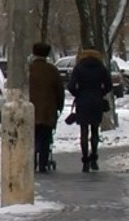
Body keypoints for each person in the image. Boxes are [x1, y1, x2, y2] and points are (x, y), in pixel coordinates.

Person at [67, 47, 113, 172]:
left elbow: (71, 86)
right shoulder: (101, 68)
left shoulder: (79, 68)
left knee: (83, 131)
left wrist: (79, 94)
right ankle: (94, 158)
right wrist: (100, 92)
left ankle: (85, 160)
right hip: (97, 102)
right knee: (94, 130)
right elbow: (109, 85)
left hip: (82, 102)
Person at [28, 43, 65, 173]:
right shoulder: (52, 70)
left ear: (33, 53)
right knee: (45, 137)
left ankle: (31, 163)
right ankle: (43, 164)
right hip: (48, 111)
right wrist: (59, 106)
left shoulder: (28, 69)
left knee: (31, 138)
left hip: (30, 111)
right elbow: (60, 90)